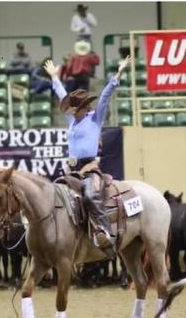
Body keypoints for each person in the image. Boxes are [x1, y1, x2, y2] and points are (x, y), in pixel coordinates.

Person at [44, 55, 132, 258]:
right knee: (54, 198)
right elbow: (61, 93)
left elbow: (105, 96)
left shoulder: (95, 119)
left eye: (73, 108)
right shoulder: (72, 120)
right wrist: (54, 77)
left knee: (91, 195)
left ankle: (105, 231)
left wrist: (118, 72)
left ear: (82, 108)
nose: (70, 111)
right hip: (71, 169)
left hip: (89, 168)